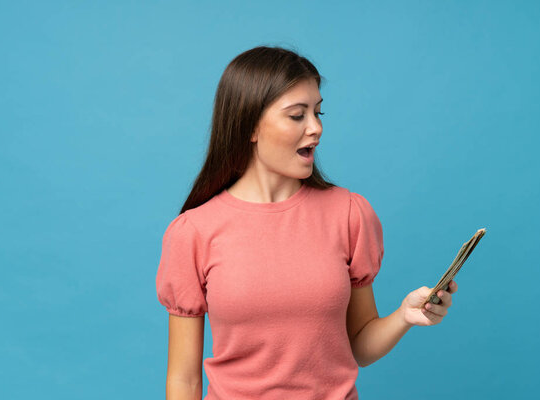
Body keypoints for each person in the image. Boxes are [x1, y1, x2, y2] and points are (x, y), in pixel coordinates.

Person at [155, 45, 458, 400]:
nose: (316, 128)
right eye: (297, 116)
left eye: (318, 112)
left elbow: (359, 345)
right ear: (249, 126)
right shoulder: (194, 232)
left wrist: (405, 315)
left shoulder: (349, 214)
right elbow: (184, 381)